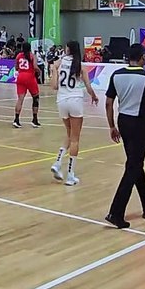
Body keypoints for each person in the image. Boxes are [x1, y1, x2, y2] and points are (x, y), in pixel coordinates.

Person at [103, 44, 145, 229]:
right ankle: (116, 212)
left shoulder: (116, 75)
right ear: (142, 57)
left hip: (123, 122)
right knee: (134, 166)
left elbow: (109, 102)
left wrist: (111, 125)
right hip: (139, 124)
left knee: (135, 163)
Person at [50, 40, 98, 186]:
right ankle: (70, 175)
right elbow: (89, 87)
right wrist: (94, 96)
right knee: (75, 138)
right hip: (75, 100)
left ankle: (58, 163)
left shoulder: (59, 63)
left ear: (68, 49)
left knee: (69, 134)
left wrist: (53, 70)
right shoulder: (80, 66)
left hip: (61, 101)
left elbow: (53, 86)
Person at [12, 41, 40, 128]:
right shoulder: (32, 56)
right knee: (35, 97)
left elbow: (16, 67)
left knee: (20, 99)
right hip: (30, 77)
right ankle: (34, 120)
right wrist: (39, 71)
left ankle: (16, 119)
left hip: (20, 77)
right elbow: (35, 67)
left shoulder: (18, 56)